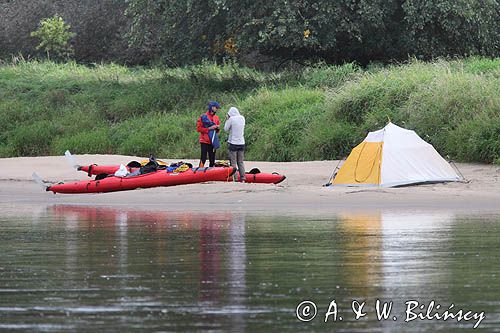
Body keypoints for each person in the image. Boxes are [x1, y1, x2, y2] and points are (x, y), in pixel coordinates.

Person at [224, 107, 246, 182]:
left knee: (233, 162)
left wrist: (227, 119)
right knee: (240, 162)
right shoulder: (242, 118)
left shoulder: (231, 119)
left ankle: (235, 178)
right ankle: (243, 178)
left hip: (233, 143)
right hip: (242, 143)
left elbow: (225, 129)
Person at [197, 101, 221, 167]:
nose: (217, 109)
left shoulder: (216, 118)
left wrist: (217, 128)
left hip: (212, 142)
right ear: (212, 107)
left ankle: (211, 174)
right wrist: (209, 128)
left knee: (212, 159)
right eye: (216, 107)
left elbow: (217, 131)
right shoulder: (203, 117)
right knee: (203, 158)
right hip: (204, 141)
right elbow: (198, 129)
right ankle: (200, 173)